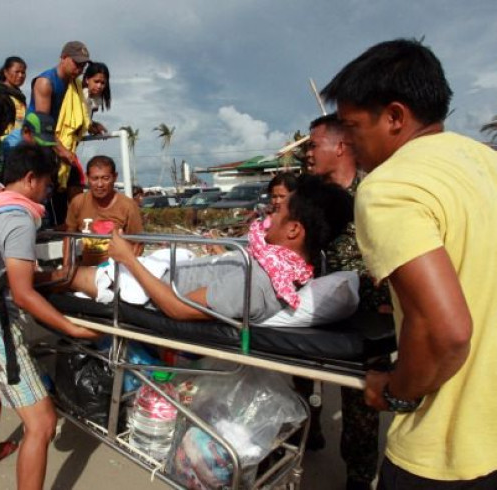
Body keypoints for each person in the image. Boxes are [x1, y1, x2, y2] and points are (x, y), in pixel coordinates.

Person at [321, 38, 497, 489]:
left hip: (448, 449)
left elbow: (448, 330)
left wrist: (396, 390)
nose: (350, 143)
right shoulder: (485, 162)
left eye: (353, 127)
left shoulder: (390, 187)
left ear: (395, 116)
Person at [0, 143, 100, 488]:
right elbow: (22, 292)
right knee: (42, 424)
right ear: (31, 179)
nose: (48, 191)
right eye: (47, 184)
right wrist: (71, 329)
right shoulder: (19, 218)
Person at [65, 175, 353, 323]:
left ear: (294, 230)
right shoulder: (281, 265)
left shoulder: (258, 284)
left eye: (279, 211)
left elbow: (176, 308)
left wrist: (128, 257)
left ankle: (23, 284)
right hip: (168, 270)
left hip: (152, 290)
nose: (270, 215)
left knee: (71, 275)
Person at [303, 113, 392, 490]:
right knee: (302, 379)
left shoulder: (376, 194)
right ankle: (309, 429)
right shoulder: (308, 196)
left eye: (313, 145)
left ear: (339, 147)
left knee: (360, 402)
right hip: (314, 308)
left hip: (368, 312)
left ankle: (358, 475)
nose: (307, 153)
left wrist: (390, 301)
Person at [64, 155, 143, 266]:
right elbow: (69, 235)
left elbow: (138, 244)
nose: (100, 184)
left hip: (117, 271)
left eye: (105, 178)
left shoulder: (128, 206)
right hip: (88, 271)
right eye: (94, 178)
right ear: (87, 178)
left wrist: (129, 272)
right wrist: (67, 267)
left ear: (114, 177)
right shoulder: (78, 202)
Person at [28, 41, 90, 180]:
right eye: (77, 63)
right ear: (63, 58)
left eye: (83, 66)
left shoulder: (73, 84)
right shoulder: (46, 82)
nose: (80, 69)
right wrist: (63, 151)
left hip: (53, 144)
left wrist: (91, 124)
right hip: (34, 144)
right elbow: (42, 127)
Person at [0, 56, 28, 154]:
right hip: (6, 143)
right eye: (17, 72)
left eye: (23, 72)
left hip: (21, 143)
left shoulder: (19, 96)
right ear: (6, 72)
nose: (21, 75)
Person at [82, 62, 111, 135]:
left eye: (102, 83)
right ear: (87, 80)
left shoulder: (96, 99)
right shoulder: (81, 95)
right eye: (96, 81)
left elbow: (85, 118)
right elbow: (76, 120)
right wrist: (90, 127)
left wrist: (94, 124)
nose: (99, 86)